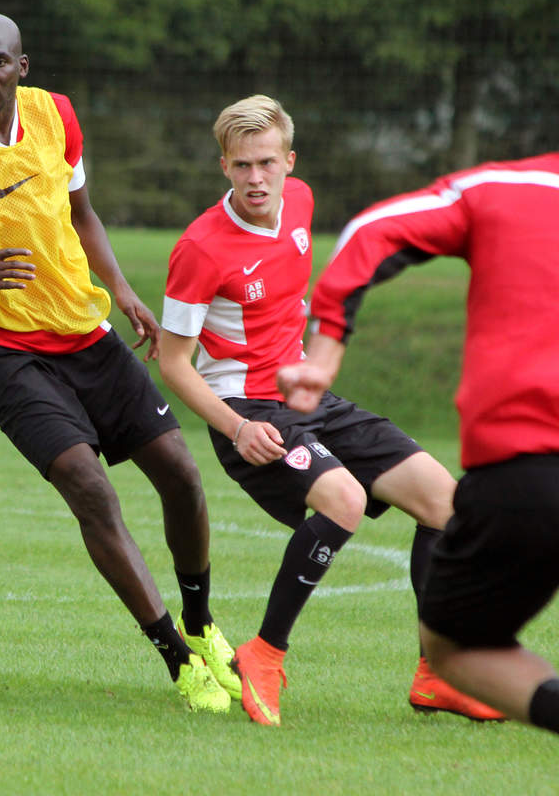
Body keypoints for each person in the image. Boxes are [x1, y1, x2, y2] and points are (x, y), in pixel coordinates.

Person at [278, 34, 559, 794]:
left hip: (522, 483)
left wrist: (325, 353)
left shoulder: (498, 188)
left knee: (451, 648)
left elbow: (370, 233)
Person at [0, 12, 232, 712]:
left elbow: (82, 213)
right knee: (88, 485)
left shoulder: (56, 117)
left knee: (183, 476)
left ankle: (201, 620)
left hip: (82, 330)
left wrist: (124, 292)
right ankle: (178, 659)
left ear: (22, 66)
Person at [158, 94, 503, 727]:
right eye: (241, 166)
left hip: (302, 398)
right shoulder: (200, 249)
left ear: (289, 161)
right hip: (246, 411)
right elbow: (173, 360)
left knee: (445, 503)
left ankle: (439, 672)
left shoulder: (304, 202)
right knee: (343, 501)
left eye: (266, 162)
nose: (255, 178)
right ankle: (264, 653)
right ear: (223, 168)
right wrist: (236, 427)